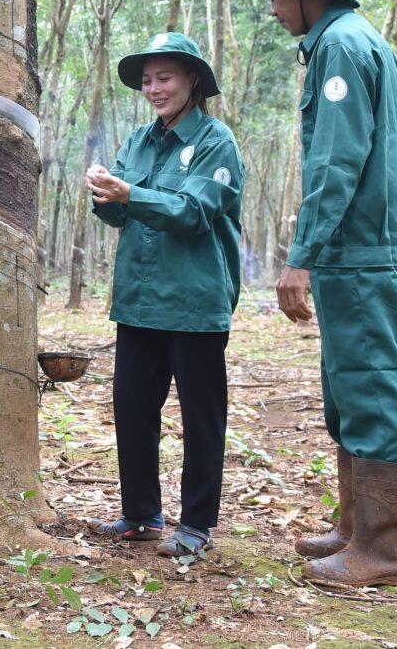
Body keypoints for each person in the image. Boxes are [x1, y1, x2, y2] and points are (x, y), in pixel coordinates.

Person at [237, 0, 397, 588]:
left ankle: (383, 550)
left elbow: (338, 160)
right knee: (349, 386)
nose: (274, 7)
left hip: (355, 244)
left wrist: (301, 256)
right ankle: (355, 526)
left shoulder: (342, 45)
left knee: (369, 384)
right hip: (358, 241)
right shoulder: (349, 38)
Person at [86, 32, 245, 559]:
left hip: (195, 302)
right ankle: (141, 515)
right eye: (148, 80)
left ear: (192, 80)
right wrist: (105, 192)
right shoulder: (138, 140)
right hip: (138, 298)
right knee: (133, 406)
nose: (154, 89)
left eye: (165, 77)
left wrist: (131, 193)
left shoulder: (216, 142)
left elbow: (194, 211)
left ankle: (197, 523)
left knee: (201, 415)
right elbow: (120, 212)